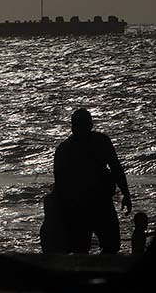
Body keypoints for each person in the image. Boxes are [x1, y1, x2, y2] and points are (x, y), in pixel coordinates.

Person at [53, 108, 132, 254]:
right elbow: (60, 184)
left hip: (94, 203)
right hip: (84, 205)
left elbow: (115, 168)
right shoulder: (69, 148)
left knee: (105, 246)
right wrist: (125, 193)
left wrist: (126, 193)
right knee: (89, 248)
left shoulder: (67, 148)